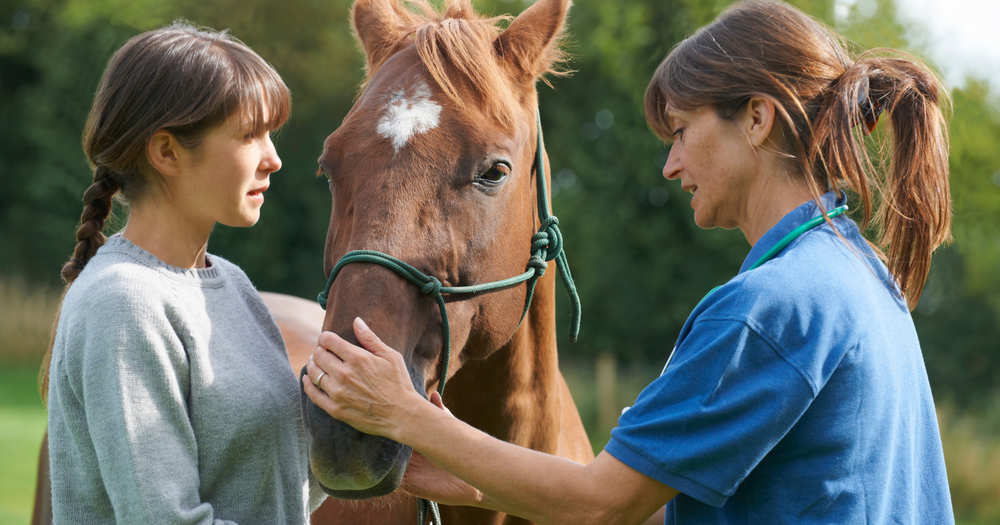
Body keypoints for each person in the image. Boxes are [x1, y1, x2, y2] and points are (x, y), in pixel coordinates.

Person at [301, 0, 955, 523]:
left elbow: (603, 503)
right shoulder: (859, 274)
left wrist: (406, 416)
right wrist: (474, 468)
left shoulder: (766, 310)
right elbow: (656, 499)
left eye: (682, 132)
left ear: (756, 119)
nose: (671, 165)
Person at [42, 22, 323, 523]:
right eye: (249, 135)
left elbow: (273, 494)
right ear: (167, 151)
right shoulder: (123, 302)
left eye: (270, 135)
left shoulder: (233, 284)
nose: (274, 159)